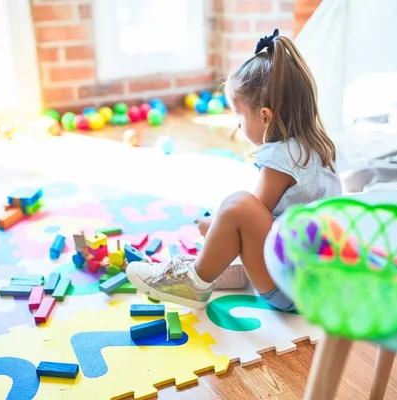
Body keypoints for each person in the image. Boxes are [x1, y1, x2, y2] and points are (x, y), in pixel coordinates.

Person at [126, 29, 342, 310]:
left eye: (240, 116)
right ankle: (209, 269)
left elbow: (249, 214)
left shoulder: (281, 157)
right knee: (236, 211)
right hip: (320, 281)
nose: (238, 125)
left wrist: (215, 225)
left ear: (265, 117)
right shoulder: (316, 145)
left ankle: (192, 283)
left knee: (237, 205)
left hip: (292, 288)